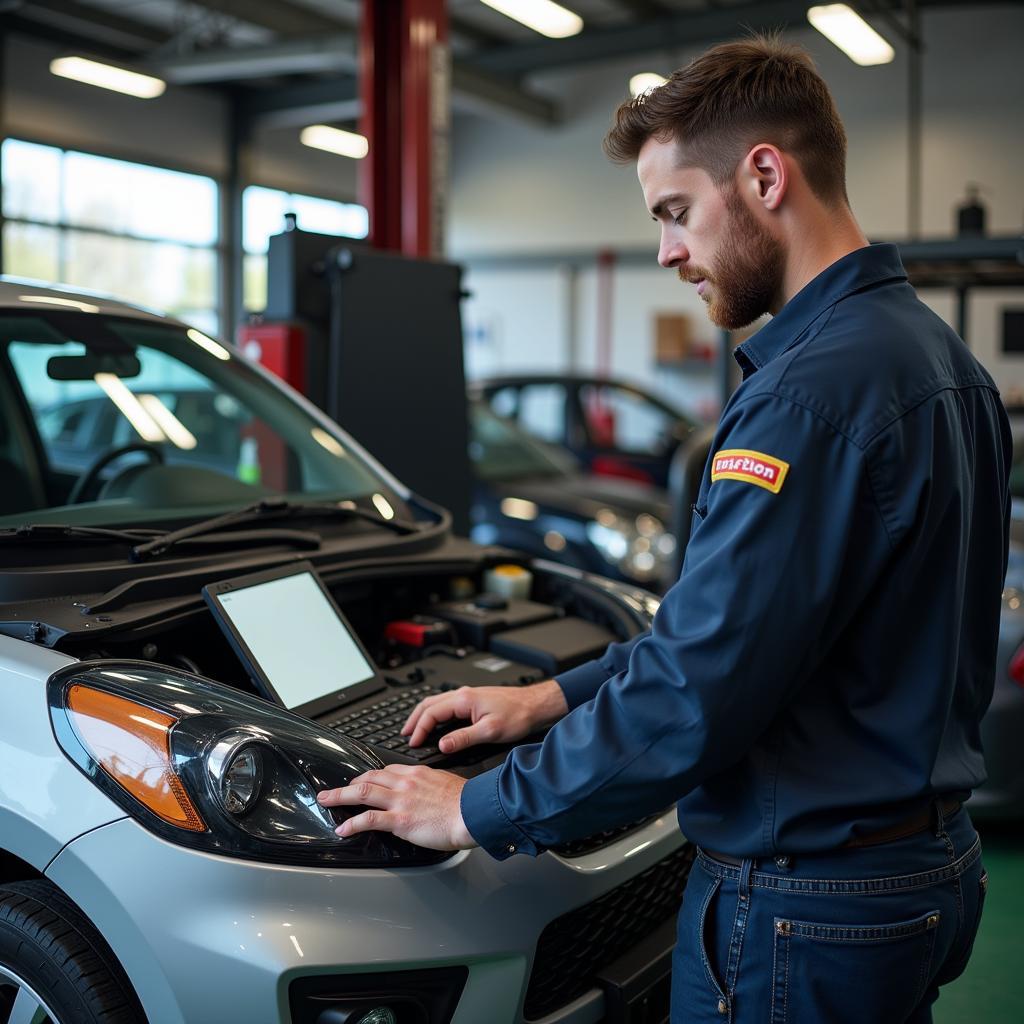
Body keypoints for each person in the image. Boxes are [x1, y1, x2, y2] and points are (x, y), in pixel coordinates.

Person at [318, 36, 1010, 1022]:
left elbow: (700, 686)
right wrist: (550, 698)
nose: (665, 251)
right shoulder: (943, 364)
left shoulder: (809, 394)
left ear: (764, 175)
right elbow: (759, 632)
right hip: (920, 868)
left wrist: (470, 805)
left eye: (676, 211)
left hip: (800, 901)